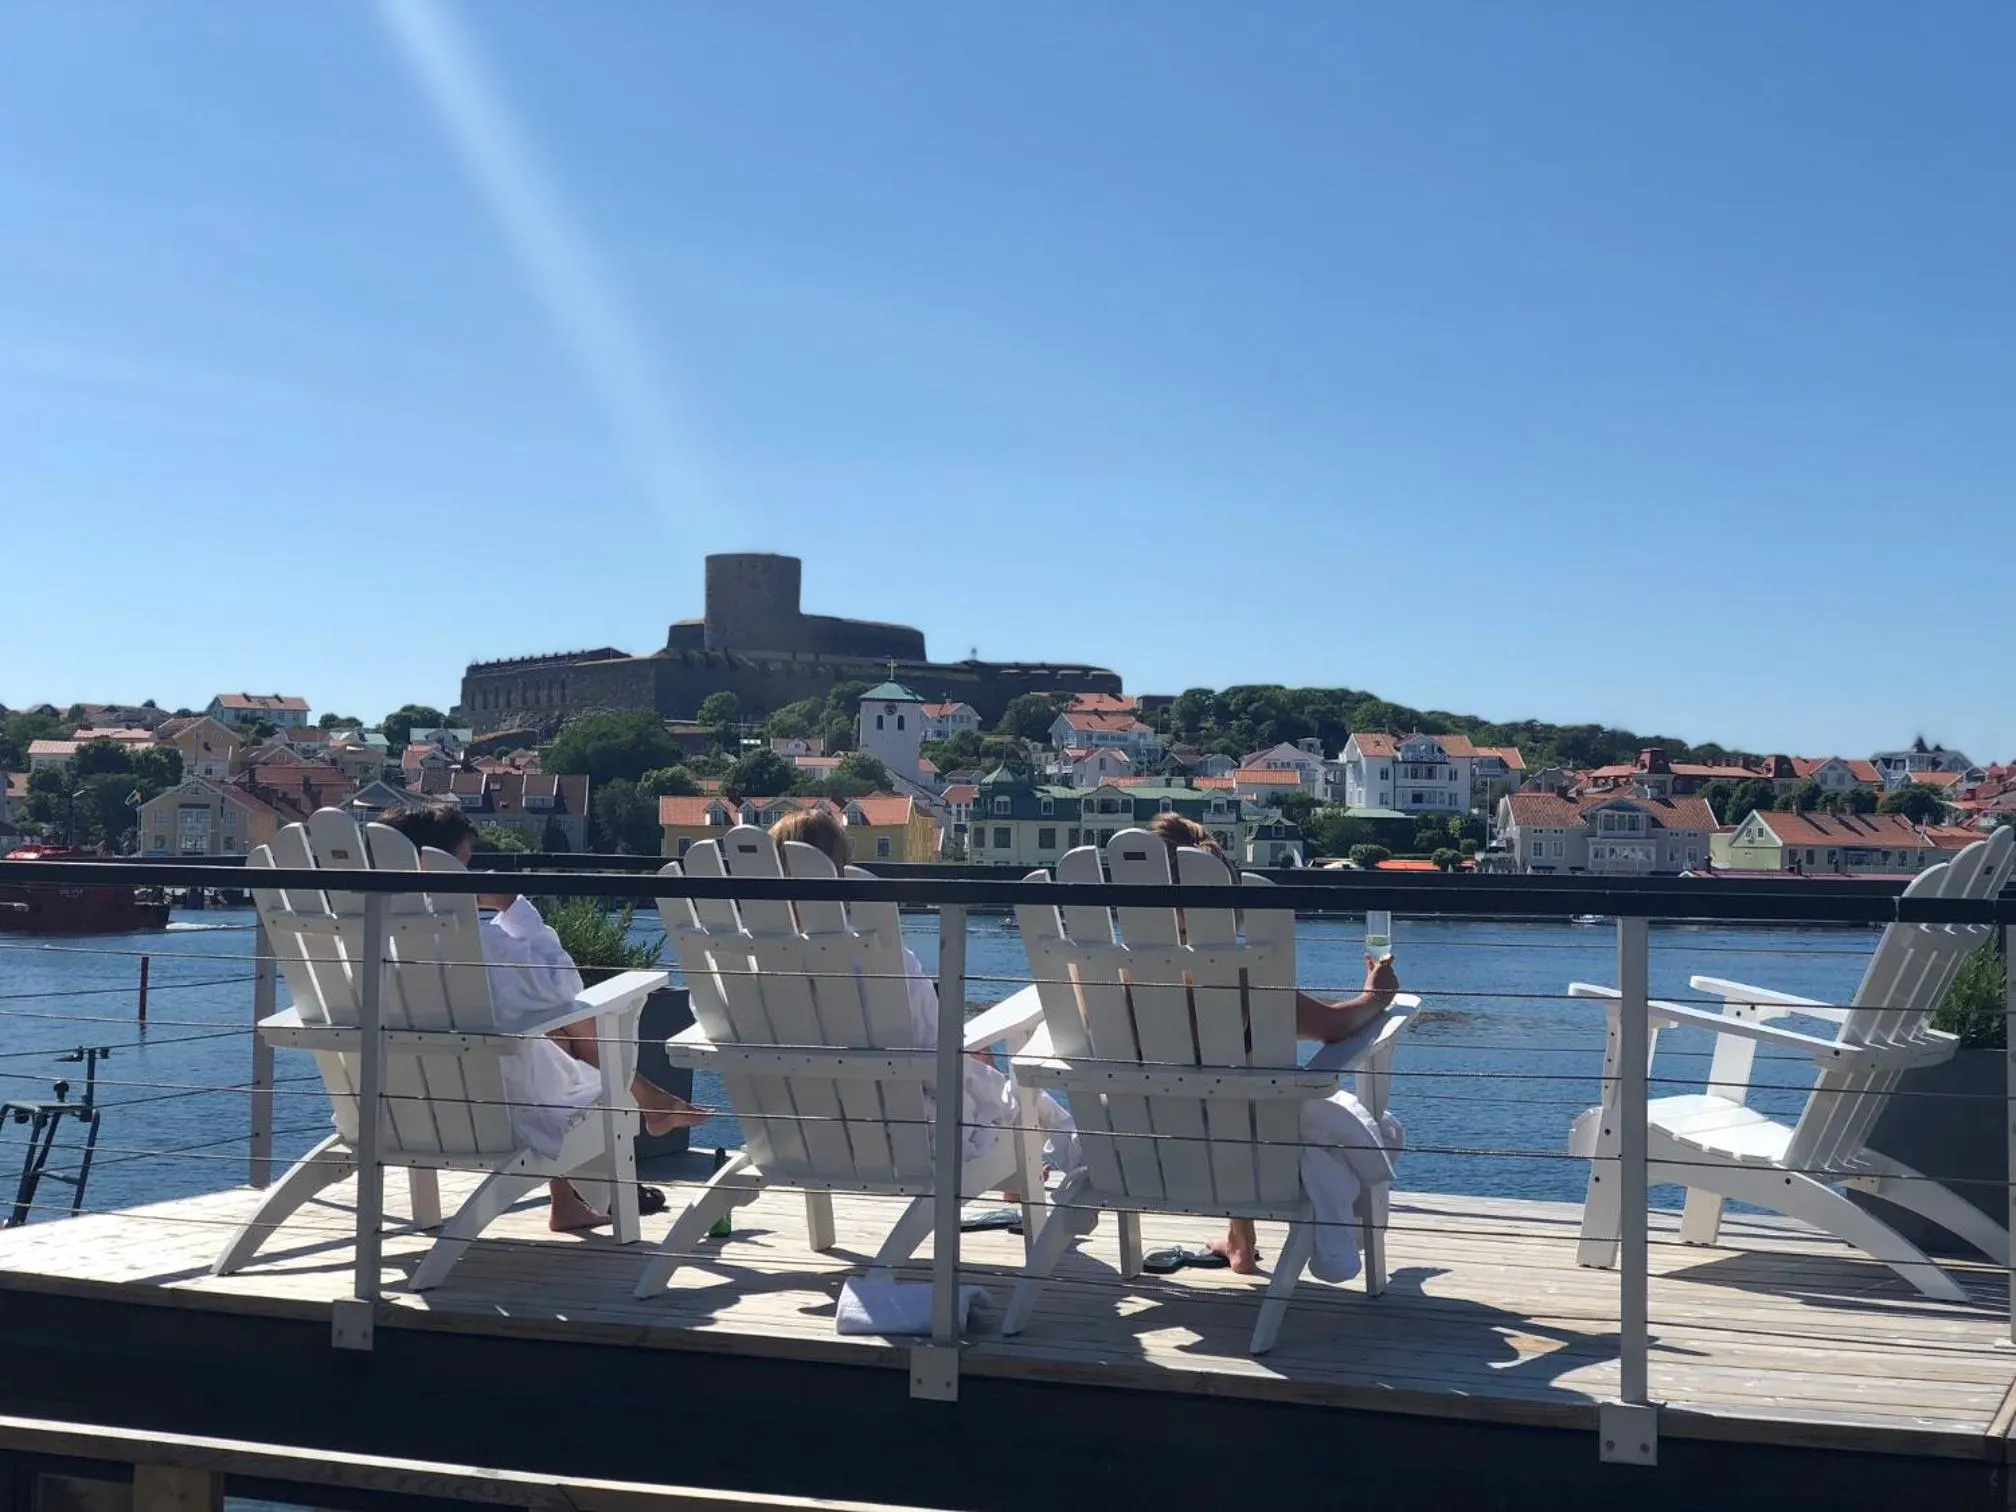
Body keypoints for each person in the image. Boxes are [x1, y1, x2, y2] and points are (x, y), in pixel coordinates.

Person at [378, 802, 707, 1232]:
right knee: (567, 1030)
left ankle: (572, 1197)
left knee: (552, 1034)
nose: (469, 876)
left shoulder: (358, 944)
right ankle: (649, 1104)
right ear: (432, 867)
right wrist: (510, 904)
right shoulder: (477, 948)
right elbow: (564, 986)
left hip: (391, 1105)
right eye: (463, 865)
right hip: (492, 1114)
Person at [1144, 813, 1401, 1274]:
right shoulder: (1245, 981)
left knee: (1223, 1093)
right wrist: (1375, 996)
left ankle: (1239, 1240)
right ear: (1230, 902)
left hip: (1136, 1151)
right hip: (1248, 1160)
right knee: (1376, 1127)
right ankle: (1318, 1241)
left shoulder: (1097, 973)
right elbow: (1335, 1027)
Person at [767, 809, 1078, 1183]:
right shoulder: (880, 958)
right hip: (900, 1135)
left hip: (795, 1134)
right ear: (841, 869)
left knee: (993, 1081)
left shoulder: (746, 961)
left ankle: (1054, 1154)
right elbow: (931, 1050)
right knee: (1009, 1090)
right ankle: (1073, 1159)